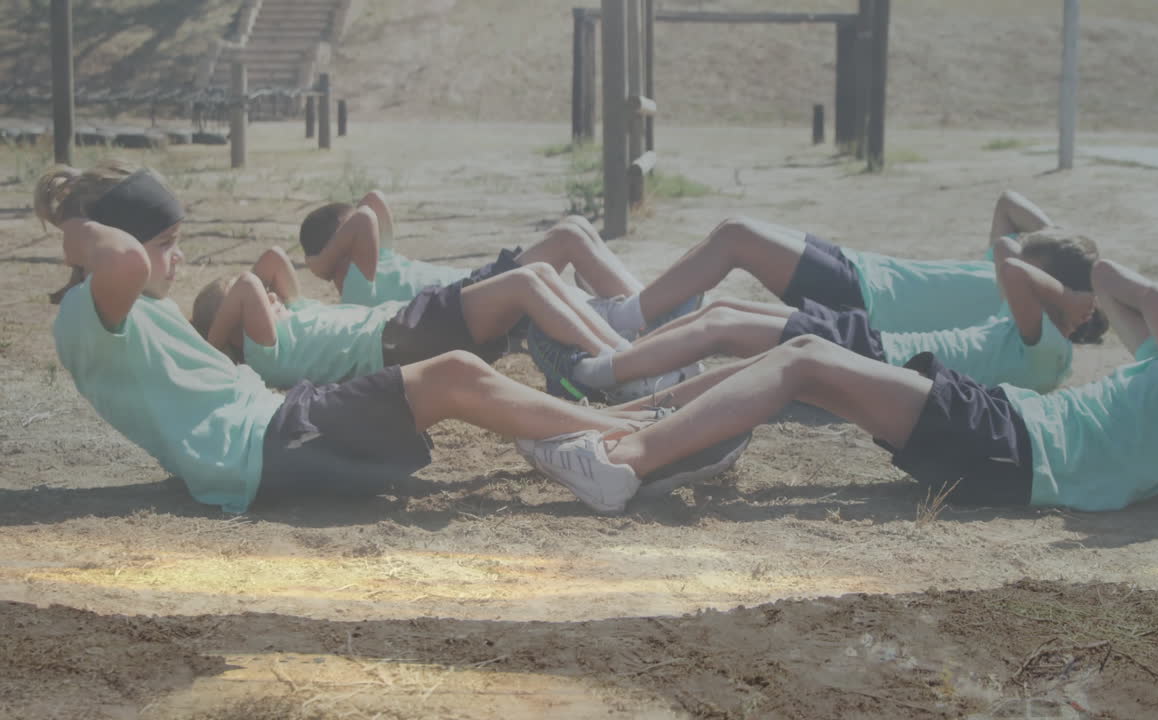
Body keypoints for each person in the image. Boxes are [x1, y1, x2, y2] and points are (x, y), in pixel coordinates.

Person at [34, 160, 743, 516]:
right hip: (263, 447)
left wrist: (111, 234)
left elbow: (136, 265)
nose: (176, 259)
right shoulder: (93, 310)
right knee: (453, 374)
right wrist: (77, 229)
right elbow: (124, 259)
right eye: (167, 243)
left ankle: (615, 424)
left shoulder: (122, 310)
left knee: (456, 372)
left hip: (276, 430)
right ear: (108, 248)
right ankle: (621, 428)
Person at [528, 254, 1158, 511]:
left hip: (1015, 447)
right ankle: (622, 433)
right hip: (1005, 432)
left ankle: (622, 467)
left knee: (805, 360)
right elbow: (1113, 282)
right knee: (805, 365)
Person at [539, 232, 1107, 401]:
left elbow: (1011, 265)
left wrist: (1069, 296)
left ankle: (591, 372)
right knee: (724, 312)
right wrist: (1070, 295)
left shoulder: (1047, 347)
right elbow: (1011, 251)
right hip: (881, 342)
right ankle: (623, 367)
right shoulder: (1042, 342)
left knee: (723, 328)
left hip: (882, 351)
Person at [583, 191, 1095, 338]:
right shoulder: (1011, 267)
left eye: (1034, 252)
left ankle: (624, 320)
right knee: (731, 229)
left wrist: (1078, 282)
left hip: (866, 303)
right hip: (861, 268)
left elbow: (1013, 247)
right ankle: (636, 314)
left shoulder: (1022, 306)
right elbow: (1008, 203)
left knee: (736, 237)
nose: (1019, 249)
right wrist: (1066, 243)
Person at [191, 245, 632, 389]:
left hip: (406, 323)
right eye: (255, 302)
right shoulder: (264, 351)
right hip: (398, 339)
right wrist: (214, 345)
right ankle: (618, 369)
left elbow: (270, 260)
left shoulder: (292, 314)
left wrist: (248, 301)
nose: (269, 294)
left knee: (534, 272)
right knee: (525, 284)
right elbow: (251, 286)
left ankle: (624, 354)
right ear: (237, 326)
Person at [299, 191, 644, 306]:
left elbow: (373, 201)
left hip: (480, 281)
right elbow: (364, 218)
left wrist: (326, 256)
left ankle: (642, 303)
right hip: (476, 293)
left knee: (574, 227)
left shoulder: (378, 262)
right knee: (568, 237)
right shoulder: (359, 288)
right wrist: (321, 263)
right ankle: (650, 313)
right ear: (345, 246)